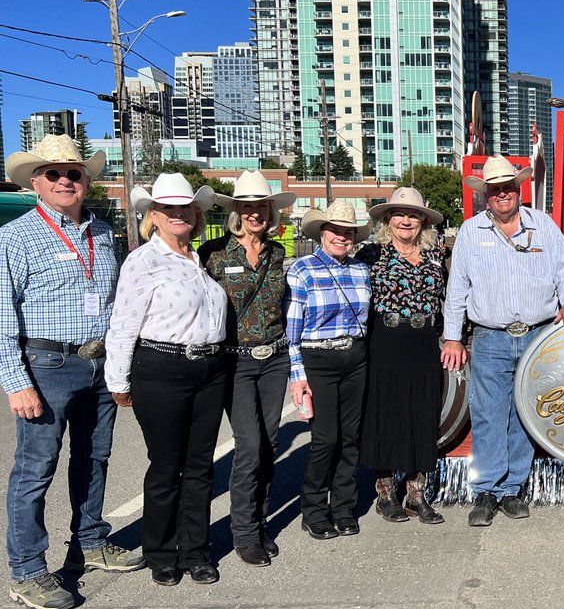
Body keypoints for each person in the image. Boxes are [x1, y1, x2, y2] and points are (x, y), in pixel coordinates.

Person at [0, 136, 143, 609]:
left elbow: (116, 303)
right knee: (35, 469)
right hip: (47, 366)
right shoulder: (16, 236)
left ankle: (90, 540)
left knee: (95, 457)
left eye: (73, 173)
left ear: (86, 181)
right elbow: (1, 315)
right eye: (53, 173)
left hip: (99, 364)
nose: (65, 180)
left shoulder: (102, 231)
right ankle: (27, 570)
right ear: (35, 182)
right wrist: (16, 382)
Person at [441, 156, 564, 527]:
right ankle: (486, 490)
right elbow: (457, 288)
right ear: (485, 196)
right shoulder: (471, 231)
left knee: (525, 412)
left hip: (537, 333)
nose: (502, 194)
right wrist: (453, 337)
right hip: (491, 337)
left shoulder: (543, 225)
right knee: (488, 413)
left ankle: (512, 489)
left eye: (508, 188)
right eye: (495, 190)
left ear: (518, 190)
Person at [106, 173, 227, 587]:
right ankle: (160, 551)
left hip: (209, 370)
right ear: (153, 216)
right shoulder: (143, 261)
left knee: (200, 466)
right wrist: (118, 380)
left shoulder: (200, 260)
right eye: (168, 208)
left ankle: (196, 551)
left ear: (196, 215)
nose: (178, 214)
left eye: (185, 208)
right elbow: (124, 322)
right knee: (166, 465)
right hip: (162, 368)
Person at [201, 170, 296, 567]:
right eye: (247, 206)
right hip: (235, 361)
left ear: (271, 211)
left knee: (269, 445)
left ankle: (259, 522)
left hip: (274, 358)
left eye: (262, 206)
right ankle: (243, 533)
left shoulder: (276, 253)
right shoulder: (213, 253)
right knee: (250, 446)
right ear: (237, 210)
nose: (255, 213)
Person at [357, 187, 446, 525]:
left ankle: (416, 495)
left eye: (413, 215)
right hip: (385, 340)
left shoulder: (435, 255)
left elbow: (448, 299)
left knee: (422, 414)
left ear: (423, 221)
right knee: (386, 414)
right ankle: (385, 495)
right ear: (387, 220)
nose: (406, 221)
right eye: (399, 215)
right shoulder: (371, 254)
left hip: (424, 342)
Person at [286, 199, 371, 540]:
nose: (342, 237)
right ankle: (314, 510)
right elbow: (292, 331)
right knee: (326, 439)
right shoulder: (302, 270)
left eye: (348, 232)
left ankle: (344, 508)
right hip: (317, 359)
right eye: (335, 230)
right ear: (322, 232)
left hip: (355, 357)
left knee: (350, 437)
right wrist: (297, 376)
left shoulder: (361, 270)